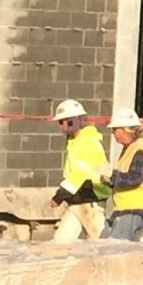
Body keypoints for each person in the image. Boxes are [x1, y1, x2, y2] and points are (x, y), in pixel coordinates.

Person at [49, 99, 109, 241]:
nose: (60, 127)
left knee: (99, 242)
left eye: (61, 122)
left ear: (73, 121)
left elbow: (77, 175)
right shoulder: (76, 142)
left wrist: (58, 197)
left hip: (91, 199)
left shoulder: (87, 142)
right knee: (61, 241)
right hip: (78, 200)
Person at [102, 107, 143, 242]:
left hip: (134, 210)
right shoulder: (129, 148)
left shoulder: (141, 149)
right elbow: (124, 177)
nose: (113, 133)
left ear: (125, 129)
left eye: (115, 129)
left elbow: (135, 179)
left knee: (113, 248)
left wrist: (112, 175)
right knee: (126, 249)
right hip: (126, 210)